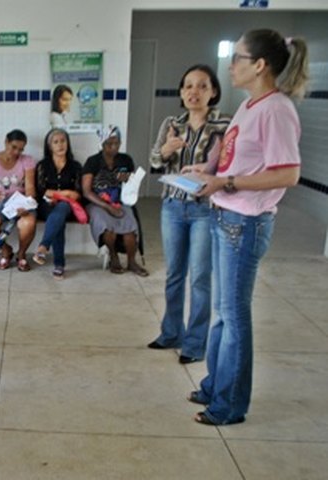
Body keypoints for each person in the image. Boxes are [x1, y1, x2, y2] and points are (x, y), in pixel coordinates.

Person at [184, 29, 307, 426]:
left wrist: (227, 182)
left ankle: (230, 405)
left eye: (238, 58)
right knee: (222, 314)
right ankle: (214, 386)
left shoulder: (277, 110)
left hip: (245, 223)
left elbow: (287, 174)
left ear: (260, 65)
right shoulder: (250, 105)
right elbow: (233, 154)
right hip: (225, 214)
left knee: (234, 317)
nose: (230, 65)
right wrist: (208, 169)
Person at [147, 65, 231, 365]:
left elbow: (232, 166)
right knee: (174, 274)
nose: (194, 92)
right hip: (173, 205)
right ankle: (171, 332)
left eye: (202, 86)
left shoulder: (225, 125)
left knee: (200, 278)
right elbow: (154, 161)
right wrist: (166, 151)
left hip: (205, 209)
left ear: (213, 91)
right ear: (181, 92)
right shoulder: (172, 123)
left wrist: (209, 170)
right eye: (188, 86)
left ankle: (195, 344)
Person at [81, 126, 148, 276]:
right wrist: (107, 206)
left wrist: (128, 179)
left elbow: (132, 184)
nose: (114, 147)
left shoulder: (125, 160)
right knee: (107, 228)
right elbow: (86, 191)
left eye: (117, 143)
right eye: (109, 143)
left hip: (120, 201)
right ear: (102, 144)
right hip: (97, 202)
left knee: (130, 228)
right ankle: (114, 257)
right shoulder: (93, 161)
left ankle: (132, 261)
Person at [0, 129, 37, 272]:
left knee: (28, 223)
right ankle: (6, 250)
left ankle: (21, 254)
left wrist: (26, 205)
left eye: (21, 149)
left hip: (20, 200)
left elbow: (30, 188)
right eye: (14, 147)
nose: (16, 152)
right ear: (6, 142)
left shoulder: (27, 161)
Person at [32, 129, 84, 280]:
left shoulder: (75, 166)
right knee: (58, 219)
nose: (60, 145)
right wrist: (65, 193)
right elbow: (41, 191)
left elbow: (77, 193)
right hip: (45, 206)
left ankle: (44, 246)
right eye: (56, 142)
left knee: (61, 209)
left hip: (68, 207)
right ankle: (58, 264)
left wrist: (58, 194)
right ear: (49, 146)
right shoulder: (43, 165)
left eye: (63, 141)